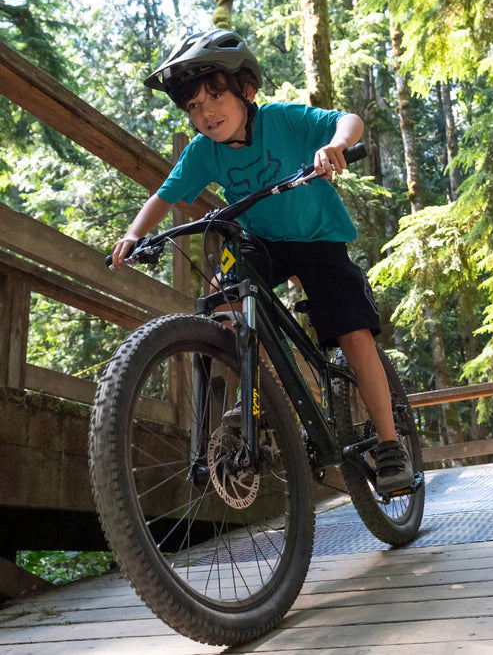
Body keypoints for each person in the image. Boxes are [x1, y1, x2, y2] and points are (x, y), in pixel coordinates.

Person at [111, 29, 414, 494]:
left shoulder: (282, 120)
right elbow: (164, 196)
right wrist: (135, 234)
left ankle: (390, 444)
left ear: (246, 91)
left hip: (318, 240)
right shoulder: (204, 151)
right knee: (224, 299)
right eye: (193, 106)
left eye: (216, 96)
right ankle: (254, 396)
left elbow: (348, 120)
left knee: (353, 334)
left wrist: (334, 145)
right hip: (261, 241)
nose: (206, 112)